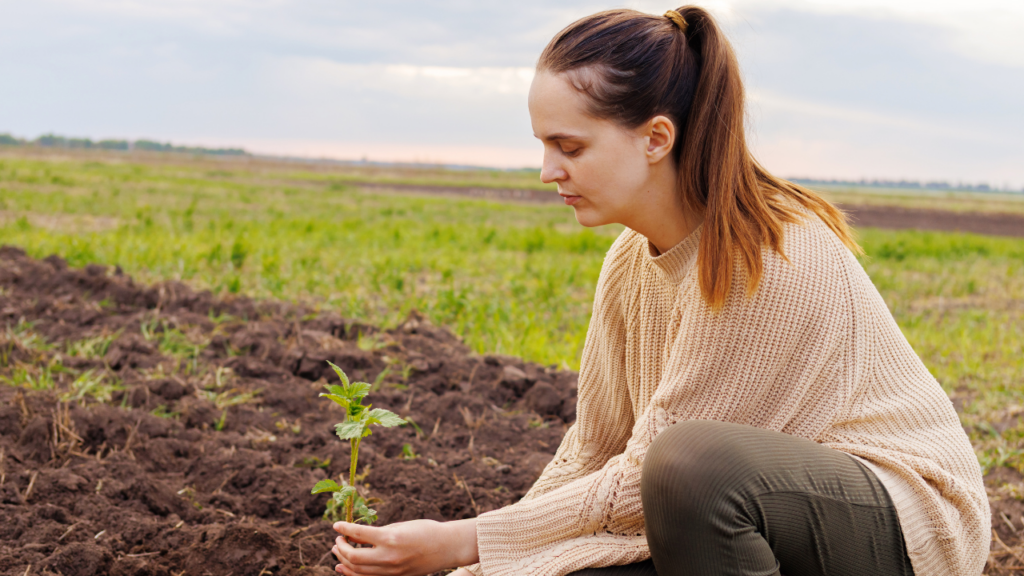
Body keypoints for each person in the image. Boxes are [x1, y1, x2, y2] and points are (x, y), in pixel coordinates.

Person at [329, 6, 989, 576]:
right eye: (543, 145)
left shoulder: (769, 256)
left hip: (900, 527)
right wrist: (483, 564)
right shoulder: (629, 261)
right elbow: (595, 449)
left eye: (570, 146)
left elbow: (663, 476)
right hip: (741, 515)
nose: (546, 170)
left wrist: (456, 542)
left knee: (689, 463)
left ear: (655, 138)